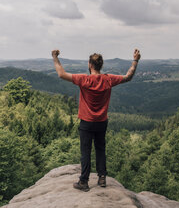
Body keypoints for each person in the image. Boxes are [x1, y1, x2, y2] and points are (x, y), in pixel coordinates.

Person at [51, 48, 141, 191]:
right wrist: (135, 60)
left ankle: (84, 181)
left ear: (90, 65)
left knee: (85, 151)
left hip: (86, 122)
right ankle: (102, 178)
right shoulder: (108, 79)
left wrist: (55, 57)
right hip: (101, 121)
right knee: (100, 149)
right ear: (100, 65)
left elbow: (61, 74)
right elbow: (128, 76)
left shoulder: (84, 79)